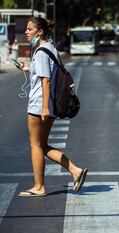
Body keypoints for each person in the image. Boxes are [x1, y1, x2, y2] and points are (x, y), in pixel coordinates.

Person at [17, 17, 87, 197]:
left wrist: (43, 107)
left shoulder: (40, 51)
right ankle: (75, 170)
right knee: (42, 144)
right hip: (52, 103)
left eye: (29, 29)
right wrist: (28, 69)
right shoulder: (50, 48)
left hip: (40, 104)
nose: (26, 32)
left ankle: (39, 187)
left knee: (35, 145)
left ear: (39, 31)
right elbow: (46, 72)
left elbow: (46, 80)